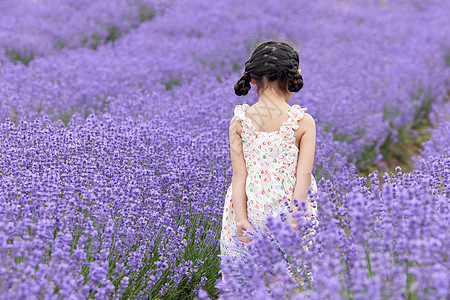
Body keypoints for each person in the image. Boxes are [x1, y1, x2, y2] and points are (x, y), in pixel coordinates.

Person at [219, 41, 318, 288]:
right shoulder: (303, 122)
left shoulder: (238, 122)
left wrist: (241, 219)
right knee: (292, 282)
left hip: (249, 207)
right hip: (288, 209)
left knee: (247, 283)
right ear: (292, 77)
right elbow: (303, 175)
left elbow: (238, 176)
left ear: (252, 80)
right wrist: (296, 217)